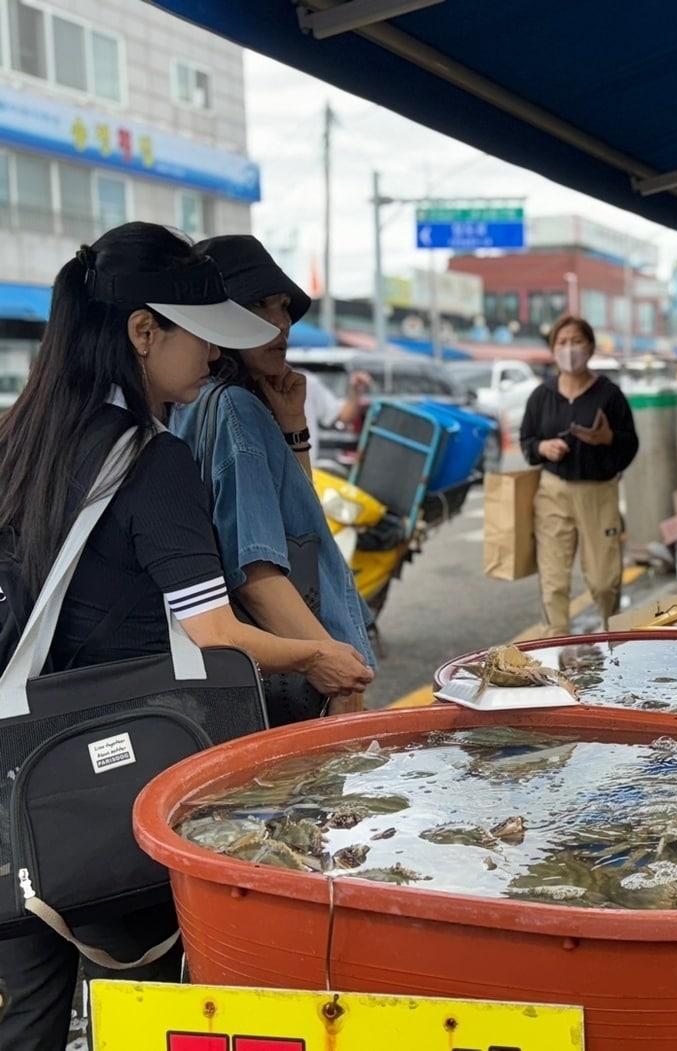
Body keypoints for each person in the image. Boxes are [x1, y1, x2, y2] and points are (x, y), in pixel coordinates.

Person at [0, 222, 374, 1051]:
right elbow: (213, 631)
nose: (211, 356)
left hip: (18, 793)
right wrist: (317, 654)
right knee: (134, 1016)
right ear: (144, 331)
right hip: (117, 791)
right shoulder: (153, 461)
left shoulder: (18, 439)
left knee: (27, 1018)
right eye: (201, 334)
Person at [170, 235, 377, 723]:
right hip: (293, 676)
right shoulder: (236, 409)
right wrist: (332, 664)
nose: (281, 323)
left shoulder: (195, 402)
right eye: (261, 305)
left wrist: (294, 428)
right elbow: (256, 572)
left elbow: (295, 530)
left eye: (284, 307)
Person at [519, 316, 639, 636]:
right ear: (552, 349)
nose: (569, 349)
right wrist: (543, 447)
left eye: (576, 341)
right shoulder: (541, 396)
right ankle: (555, 652)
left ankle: (614, 644)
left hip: (599, 492)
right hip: (553, 492)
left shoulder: (609, 395)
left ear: (590, 346)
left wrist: (607, 439)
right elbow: (527, 441)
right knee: (554, 583)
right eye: (562, 342)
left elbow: (630, 444)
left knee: (603, 581)